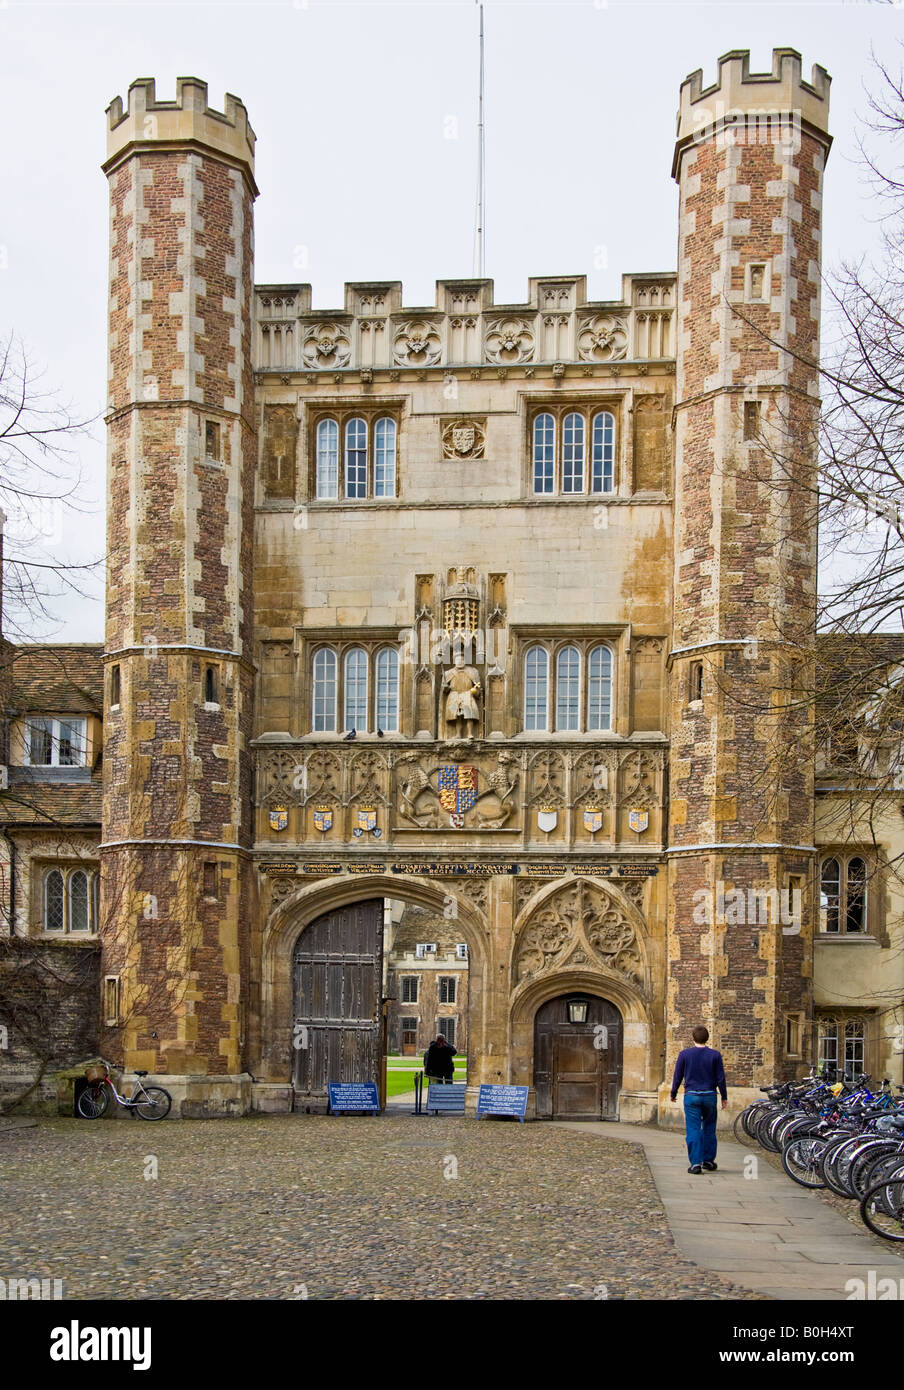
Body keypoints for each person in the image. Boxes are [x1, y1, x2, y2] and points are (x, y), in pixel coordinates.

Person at [670, 1024, 727, 1174]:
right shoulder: (715, 1055)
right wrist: (724, 1097)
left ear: (692, 1038)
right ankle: (708, 1160)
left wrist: (673, 1093)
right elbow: (720, 1078)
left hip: (692, 1096)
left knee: (693, 1129)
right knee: (709, 1128)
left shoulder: (685, 1054)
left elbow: (678, 1076)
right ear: (707, 1038)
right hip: (709, 1095)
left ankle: (695, 1163)